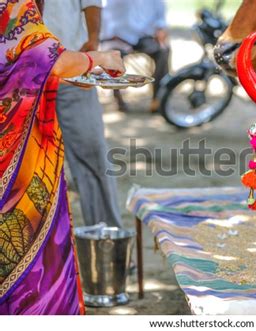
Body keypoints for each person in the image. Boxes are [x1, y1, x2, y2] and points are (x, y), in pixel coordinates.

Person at [0, 0, 125, 314]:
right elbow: (53, 60)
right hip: (16, 143)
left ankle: (107, 242)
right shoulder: (15, 6)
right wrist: (101, 57)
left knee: (92, 160)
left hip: (41, 92)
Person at [42, 0, 123, 228]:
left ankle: (106, 240)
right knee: (30, 167)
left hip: (74, 70)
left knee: (92, 155)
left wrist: (94, 40)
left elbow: (91, 2)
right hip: (23, 81)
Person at [101, 0, 170, 112]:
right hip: (118, 36)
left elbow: (160, 18)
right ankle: (118, 98)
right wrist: (108, 35)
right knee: (113, 56)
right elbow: (106, 14)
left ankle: (157, 97)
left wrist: (160, 29)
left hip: (143, 36)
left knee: (163, 51)